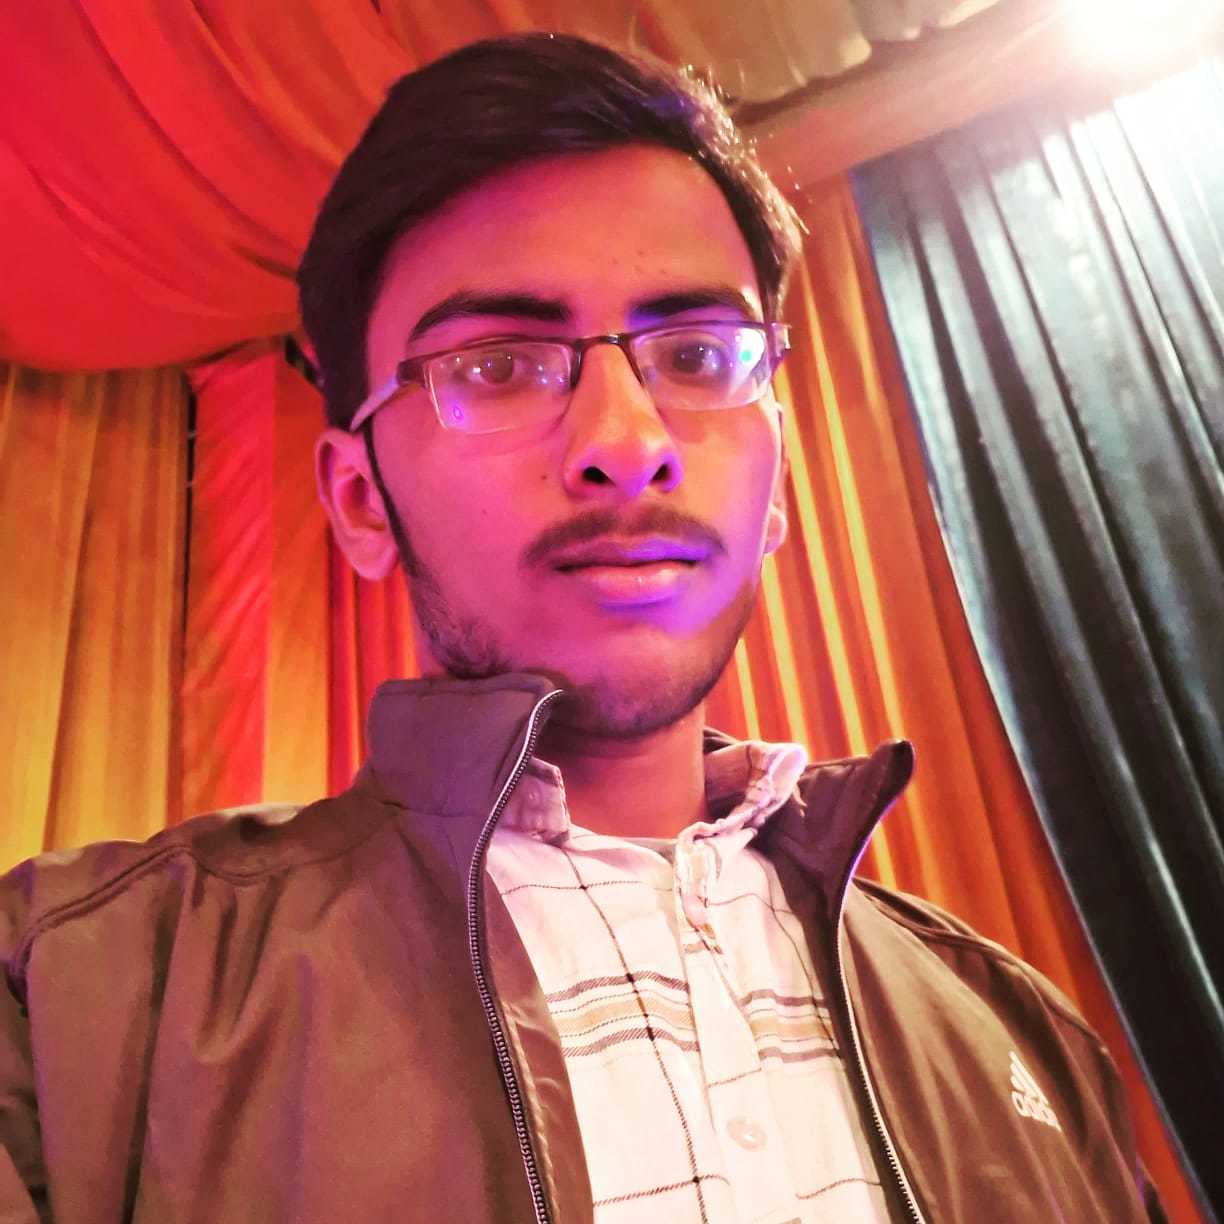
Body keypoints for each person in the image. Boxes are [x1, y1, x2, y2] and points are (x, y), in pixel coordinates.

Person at [0, 33, 1163, 1224]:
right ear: (359, 500)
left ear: (779, 483)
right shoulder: (67, 1009)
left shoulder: (1027, 1041)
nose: (628, 442)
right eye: (498, 366)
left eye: (697, 355)